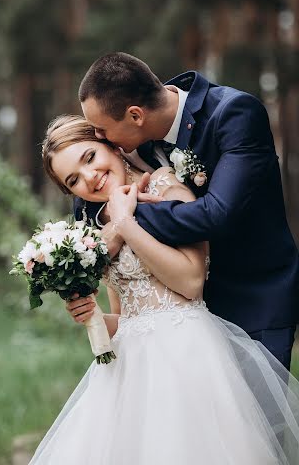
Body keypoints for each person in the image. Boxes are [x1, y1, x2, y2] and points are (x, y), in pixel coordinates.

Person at [28, 114, 299, 465]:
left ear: (110, 144)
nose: (89, 177)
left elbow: (190, 283)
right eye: (74, 179)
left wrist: (126, 223)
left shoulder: (167, 188)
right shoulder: (96, 228)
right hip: (129, 374)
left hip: (187, 355)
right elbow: (127, 319)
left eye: (89, 157)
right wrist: (93, 317)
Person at [69, 52, 299, 370]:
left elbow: (217, 214)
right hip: (184, 318)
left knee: (253, 418)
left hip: (253, 297)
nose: (99, 137)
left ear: (136, 116)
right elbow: (94, 197)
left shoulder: (235, 114)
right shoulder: (140, 142)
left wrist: (125, 217)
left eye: (101, 129)